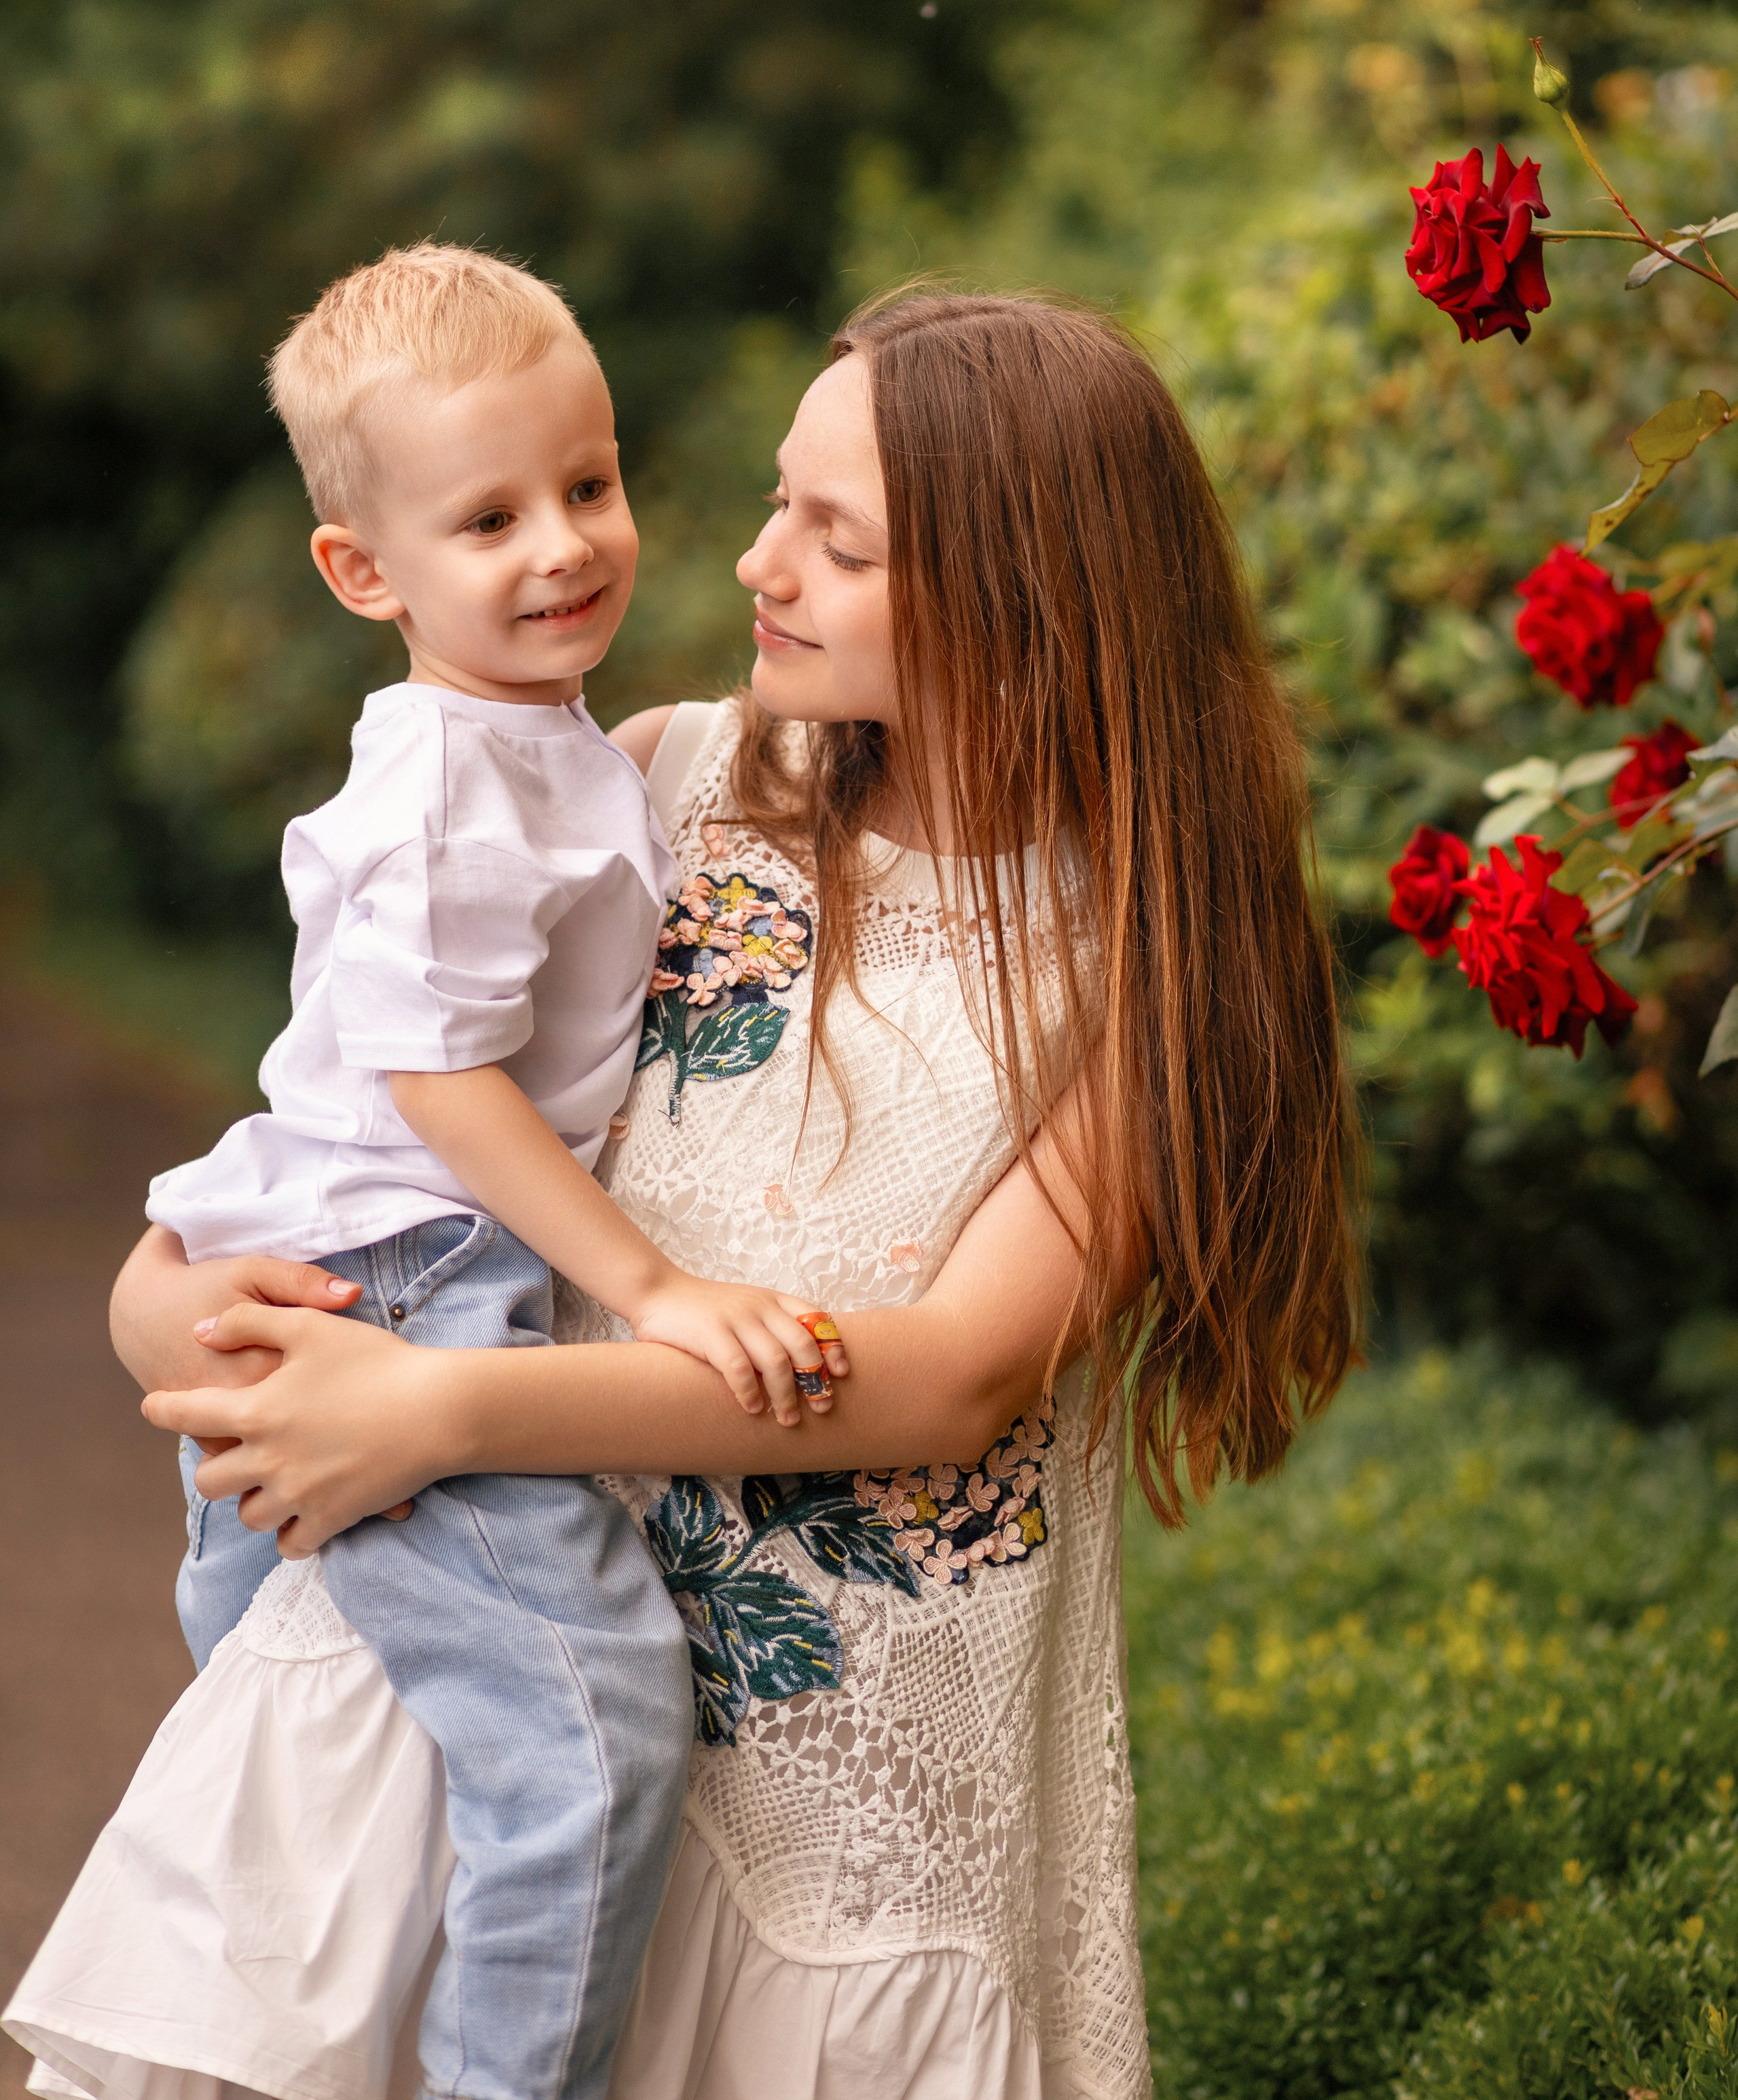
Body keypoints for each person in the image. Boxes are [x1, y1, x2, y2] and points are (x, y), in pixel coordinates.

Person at [79, 289, 1358, 2100]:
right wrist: (167, 1305)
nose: (755, 558)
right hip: (527, 1718)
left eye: (836, 541)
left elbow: (954, 1380)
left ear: (1027, 594)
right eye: (777, 500)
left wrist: (444, 1407)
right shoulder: (658, 789)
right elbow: (369, 1130)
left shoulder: (1148, 955)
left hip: (856, 1777)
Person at [3, 244, 844, 2100]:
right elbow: (440, 1088)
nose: (564, 544)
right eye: (490, 517)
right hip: (403, 1269)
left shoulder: (544, 746)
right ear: (365, 572)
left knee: (316, 1722)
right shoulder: (449, 789)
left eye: (591, 483)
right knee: (592, 1730)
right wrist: (651, 1289)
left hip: (377, 1246)